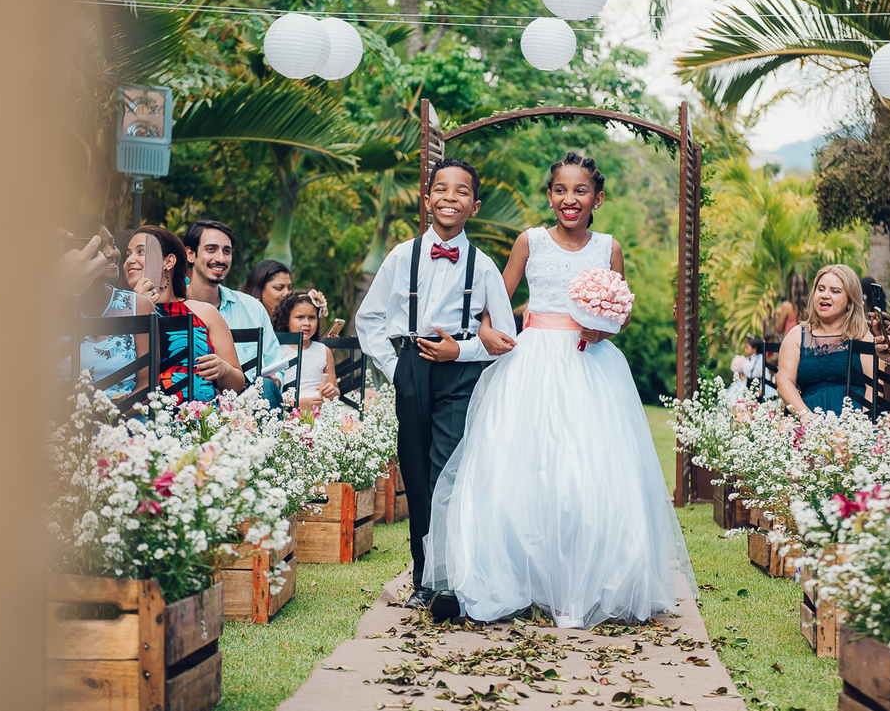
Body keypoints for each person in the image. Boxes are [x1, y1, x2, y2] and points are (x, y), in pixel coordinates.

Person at [423, 151, 695, 628]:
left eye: (581, 190)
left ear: (598, 199)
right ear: (550, 196)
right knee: (522, 470)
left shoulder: (609, 247)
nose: (570, 199)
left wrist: (603, 329)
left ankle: (580, 585)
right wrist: (487, 331)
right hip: (532, 362)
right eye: (561, 190)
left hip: (590, 367)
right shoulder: (529, 241)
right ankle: (517, 579)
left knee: (584, 474)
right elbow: (493, 303)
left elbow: (621, 311)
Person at [355, 157, 515, 611]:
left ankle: (448, 581)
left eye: (462, 191)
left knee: (449, 472)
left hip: (460, 373)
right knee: (417, 472)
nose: (450, 198)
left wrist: (459, 352)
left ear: (475, 206)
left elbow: (506, 339)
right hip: (411, 367)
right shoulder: (401, 256)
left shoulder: (483, 266)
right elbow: (367, 319)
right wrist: (396, 368)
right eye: (441, 189)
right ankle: (423, 578)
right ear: (427, 200)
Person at [124, 225, 245, 403]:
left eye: (141, 252)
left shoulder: (205, 313)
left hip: (203, 415)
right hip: (141, 414)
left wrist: (224, 369)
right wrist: (137, 307)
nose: (130, 260)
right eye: (128, 254)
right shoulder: (120, 312)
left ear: (168, 262)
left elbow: (237, 385)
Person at [184, 220, 282, 410]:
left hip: (248, 409)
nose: (220, 258)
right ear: (190, 254)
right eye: (211, 249)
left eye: (226, 251)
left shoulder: (252, 308)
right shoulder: (169, 307)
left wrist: (275, 380)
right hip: (188, 407)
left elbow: (276, 365)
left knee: (267, 385)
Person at [58, 216, 155, 400]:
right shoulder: (48, 309)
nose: (112, 253)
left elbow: (147, 385)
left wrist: (114, 415)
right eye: (99, 247)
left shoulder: (139, 306)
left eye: (112, 244)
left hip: (126, 415)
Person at [776, 265, 872, 418]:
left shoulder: (864, 334)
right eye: (820, 289)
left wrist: (866, 424)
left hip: (855, 421)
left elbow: (873, 387)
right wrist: (806, 417)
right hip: (809, 421)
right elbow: (784, 382)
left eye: (835, 291)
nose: (825, 295)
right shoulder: (797, 335)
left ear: (850, 301)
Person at [271, 288, 339, 411]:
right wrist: (297, 404)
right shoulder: (278, 350)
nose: (307, 323)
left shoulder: (324, 351)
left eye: (312, 317)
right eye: (300, 317)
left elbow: (335, 387)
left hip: (322, 408)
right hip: (291, 410)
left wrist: (332, 391)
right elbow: (274, 392)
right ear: (286, 321)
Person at [774, 273, 809, 340]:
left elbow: (779, 329)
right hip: (805, 343)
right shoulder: (809, 307)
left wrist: (779, 314)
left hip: (790, 343)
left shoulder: (787, 306)